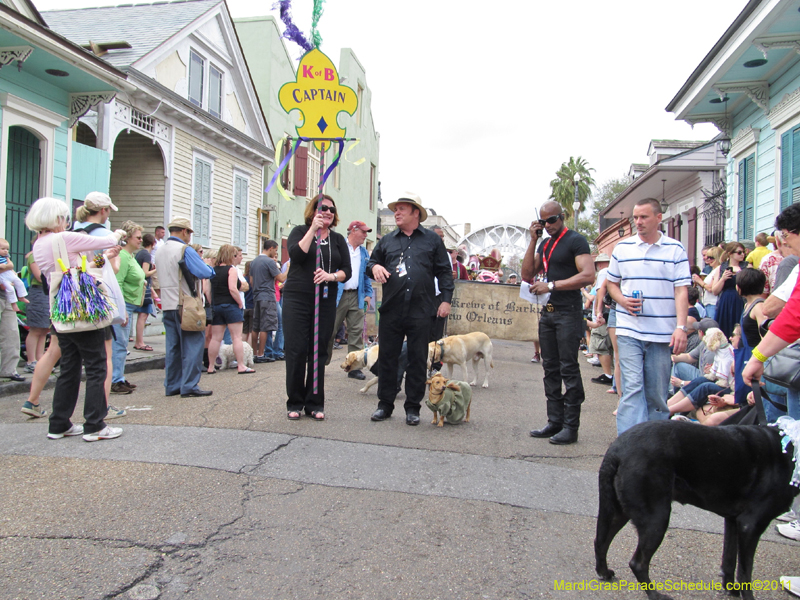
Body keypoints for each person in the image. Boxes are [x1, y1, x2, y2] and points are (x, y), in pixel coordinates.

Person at [26, 196, 126, 441]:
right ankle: (95, 424)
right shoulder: (63, 238)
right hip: (84, 308)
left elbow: (80, 267)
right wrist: (118, 235)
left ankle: (59, 423)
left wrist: (105, 256)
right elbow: (107, 240)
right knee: (97, 366)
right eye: (64, 217)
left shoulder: (39, 244)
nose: (66, 221)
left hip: (62, 310)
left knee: (69, 368)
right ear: (57, 218)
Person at [606, 197, 691, 435]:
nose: (638, 222)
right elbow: (611, 283)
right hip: (629, 329)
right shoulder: (622, 248)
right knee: (632, 387)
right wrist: (622, 300)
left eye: (643, 217)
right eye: (635, 217)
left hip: (662, 333)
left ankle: (654, 442)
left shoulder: (675, 249)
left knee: (657, 393)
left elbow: (681, 290)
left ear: (658, 218)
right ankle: (629, 443)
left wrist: (681, 328)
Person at [367, 193, 453, 426]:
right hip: (392, 310)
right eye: (395, 209)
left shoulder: (432, 240)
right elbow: (370, 263)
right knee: (388, 358)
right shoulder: (387, 240)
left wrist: (446, 300)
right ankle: (384, 405)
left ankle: (413, 408)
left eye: (401, 209)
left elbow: (444, 271)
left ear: (416, 213)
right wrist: (374, 268)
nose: (396, 213)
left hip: (421, 310)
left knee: (417, 359)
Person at [521, 200, 594, 444]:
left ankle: (571, 426)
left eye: (551, 220)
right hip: (549, 313)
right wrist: (533, 240)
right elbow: (527, 274)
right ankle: (555, 421)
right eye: (543, 222)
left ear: (562, 217)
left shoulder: (576, 240)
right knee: (550, 368)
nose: (548, 225)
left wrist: (551, 285)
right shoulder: (545, 243)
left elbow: (588, 275)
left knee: (568, 368)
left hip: (568, 313)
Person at [283, 195, 351, 421]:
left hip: (324, 300)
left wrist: (330, 276)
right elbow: (296, 255)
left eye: (332, 209)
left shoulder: (338, 239)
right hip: (297, 299)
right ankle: (295, 401)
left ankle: (314, 403)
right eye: (324, 208)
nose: (329, 211)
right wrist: (313, 229)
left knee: (318, 351)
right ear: (313, 211)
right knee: (296, 350)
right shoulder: (299, 232)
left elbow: (346, 271)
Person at [159, 217, 215, 397]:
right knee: (193, 345)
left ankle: (172, 384)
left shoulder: (160, 250)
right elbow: (205, 272)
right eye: (189, 232)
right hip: (185, 303)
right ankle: (189, 385)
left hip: (167, 303)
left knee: (173, 347)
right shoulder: (184, 249)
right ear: (184, 231)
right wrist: (209, 267)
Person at [326, 221, 374, 379]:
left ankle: (354, 368)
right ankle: (321, 363)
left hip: (356, 295)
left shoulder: (364, 252)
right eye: (363, 232)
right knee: (329, 330)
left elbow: (366, 275)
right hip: (337, 295)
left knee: (356, 332)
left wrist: (368, 294)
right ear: (354, 230)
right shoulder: (339, 247)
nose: (366, 235)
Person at [110, 221, 147, 394]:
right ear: (128, 238)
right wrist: (122, 309)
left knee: (123, 343)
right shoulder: (123, 257)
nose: (141, 240)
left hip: (131, 304)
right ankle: (115, 380)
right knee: (119, 343)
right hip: (124, 305)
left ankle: (119, 376)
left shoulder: (130, 256)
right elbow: (117, 282)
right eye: (138, 237)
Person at [205, 244, 254, 375]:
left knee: (216, 338)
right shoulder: (231, 270)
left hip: (217, 306)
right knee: (236, 337)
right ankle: (241, 365)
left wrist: (213, 303)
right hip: (230, 306)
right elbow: (232, 288)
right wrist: (239, 302)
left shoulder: (213, 270)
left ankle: (210, 366)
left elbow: (207, 290)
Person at [250, 239, 286, 363]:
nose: (275, 253)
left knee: (256, 326)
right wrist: (288, 269)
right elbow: (281, 278)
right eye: (275, 250)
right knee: (265, 326)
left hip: (257, 296)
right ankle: (261, 354)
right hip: (268, 296)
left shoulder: (254, 261)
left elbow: (251, 281)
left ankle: (254, 353)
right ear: (270, 248)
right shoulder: (270, 262)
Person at [22, 237, 50, 375]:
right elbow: (39, 276)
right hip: (38, 292)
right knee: (36, 329)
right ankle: (31, 361)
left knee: (44, 329)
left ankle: (40, 359)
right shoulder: (34, 256)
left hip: (47, 292)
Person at [710, 241, 748, 338]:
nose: (742, 255)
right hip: (726, 301)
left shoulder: (746, 266)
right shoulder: (722, 267)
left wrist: (741, 274)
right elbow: (715, 291)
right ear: (730, 254)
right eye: (739, 252)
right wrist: (723, 279)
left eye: (743, 252)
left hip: (741, 300)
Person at [133, 232, 158, 351]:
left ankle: (138, 341)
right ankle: (139, 342)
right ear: (153, 243)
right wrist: (156, 270)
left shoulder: (139, 253)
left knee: (142, 315)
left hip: (141, 286)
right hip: (144, 287)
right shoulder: (147, 255)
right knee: (143, 315)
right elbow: (145, 273)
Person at [694, 246, 722, 321]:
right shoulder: (712, 270)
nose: (708, 259)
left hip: (713, 303)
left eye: (711, 258)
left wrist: (700, 281)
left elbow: (710, 288)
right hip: (708, 303)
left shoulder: (718, 269)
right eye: (707, 257)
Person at [0, 238, 28, 306]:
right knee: (10, 288)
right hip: (3, 278)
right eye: (3, 249)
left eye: (7, 249)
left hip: (8, 275)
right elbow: (9, 266)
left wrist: (8, 268)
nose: (6, 251)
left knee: (19, 283)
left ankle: (21, 296)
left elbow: (11, 265)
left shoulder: (5, 256)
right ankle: (14, 303)